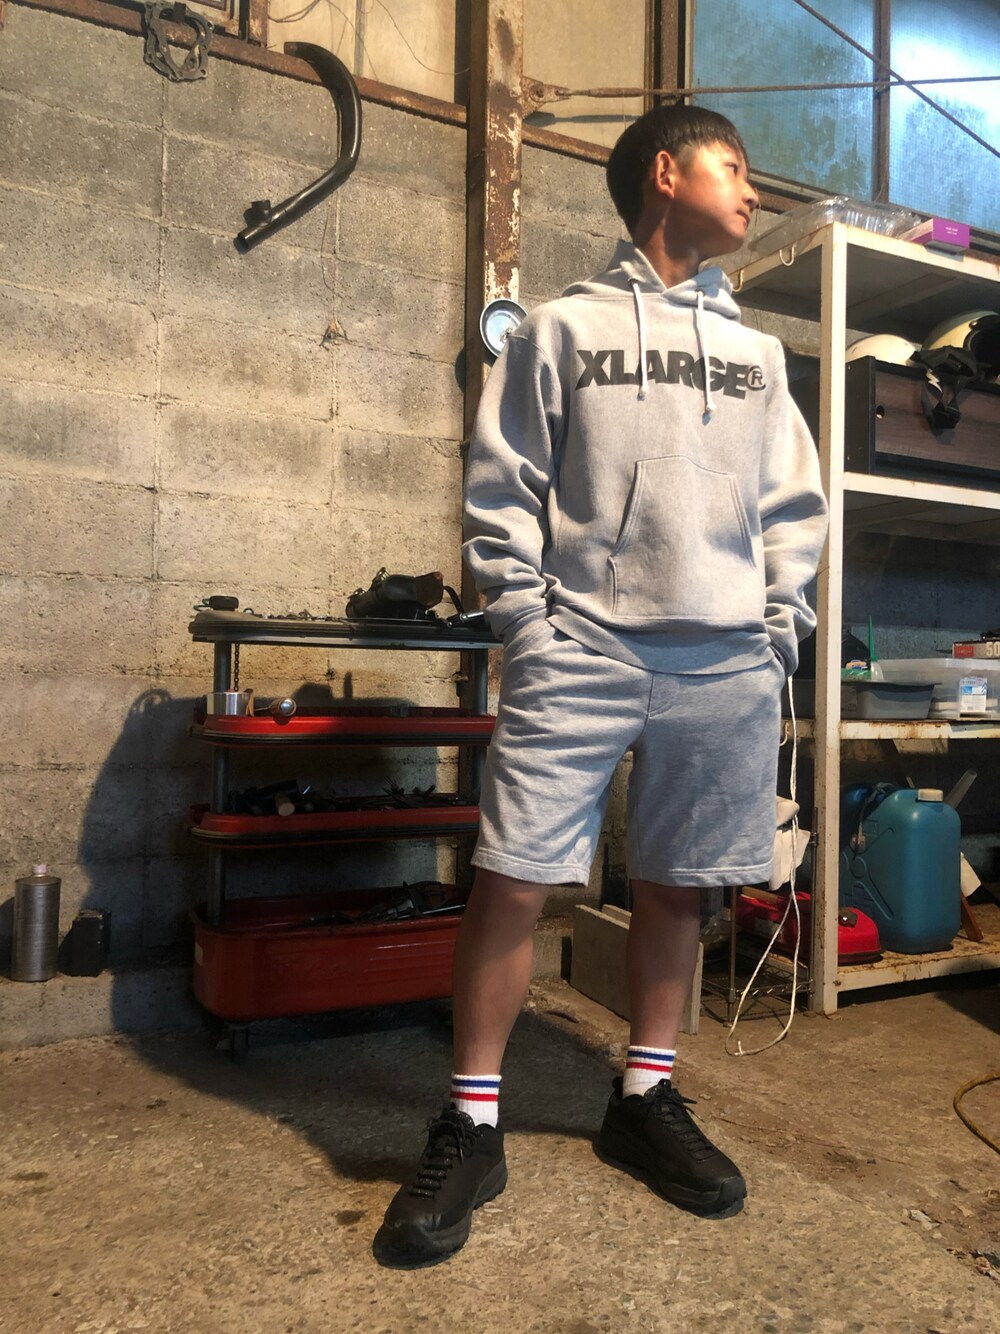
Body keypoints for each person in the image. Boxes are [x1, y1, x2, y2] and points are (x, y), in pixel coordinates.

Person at [373, 103, 828, 1267]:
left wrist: (779, 628)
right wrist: (527, 624)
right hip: (582, 646)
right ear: (665, 173)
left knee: (677, 886)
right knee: (513, 877)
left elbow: (793, 505)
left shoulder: (758, 355)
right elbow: (503, 482)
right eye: (733, 166)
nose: (753, 191)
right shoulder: (561, 327)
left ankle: (642, 1095)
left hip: (724, 659)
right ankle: (473, 1119)